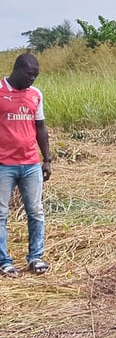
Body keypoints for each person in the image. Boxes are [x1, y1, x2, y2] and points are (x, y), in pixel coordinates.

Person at [0, 53, 52, 277]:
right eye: (30, 74)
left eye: (36, 75)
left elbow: (40, 128)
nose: (33, 79)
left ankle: (36, 257)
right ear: (17, 70)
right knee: (1, 214)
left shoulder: (35, 95)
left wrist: (47, 159)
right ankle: (4, 261)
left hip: (30, 163)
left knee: (36, 212)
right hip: (4, 164)